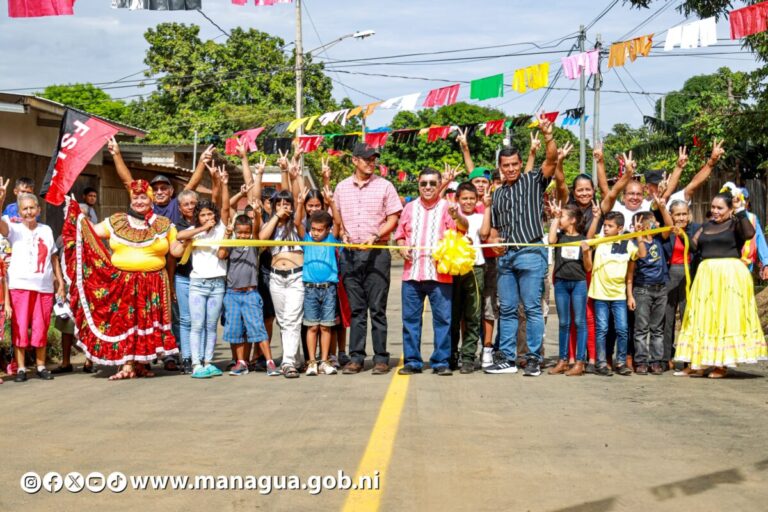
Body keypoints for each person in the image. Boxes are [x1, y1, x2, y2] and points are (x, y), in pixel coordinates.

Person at [61, 176, 179, 380]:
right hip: (122, 282)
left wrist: (190, 236)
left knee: (145, 322)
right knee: (126, 322)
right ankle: (127, 364)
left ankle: (141, 364)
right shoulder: (116, 221)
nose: (139, 201)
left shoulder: (164, 224)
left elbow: (175, 251)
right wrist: (76, 216)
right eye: (135, 198)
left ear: (151, 200)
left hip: (153, 282)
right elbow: (88, 233)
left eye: (143, 197)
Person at [484, 113, 558, 377]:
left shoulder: (533, 181)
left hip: (530, 252)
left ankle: (534, 358)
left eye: (515, 164)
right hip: (506, 258)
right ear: (500, 167)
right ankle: (507, 358)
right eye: (506, 166)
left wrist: (548, 135)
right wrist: (494, 242)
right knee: (506, 308)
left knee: (532, 308)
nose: (512, 169)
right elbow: (494, 229)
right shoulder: (498, 193)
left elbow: (551, 159)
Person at [674, 191, 767, 378]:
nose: (715, 211)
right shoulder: (706, 226)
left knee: (725, 319)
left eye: (719, 208)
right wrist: (682, 233)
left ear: (730, 209)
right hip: (706, 275)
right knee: (703, 319)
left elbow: (750, 234)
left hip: (729, 276)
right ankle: (699, 363)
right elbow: (694, 246)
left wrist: (740, 212)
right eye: (713, 207)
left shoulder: (736, 224)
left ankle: (721, 364)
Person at [334, 143, 402, 375]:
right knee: (356, 309)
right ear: (354, 160)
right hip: (350, 255)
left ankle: (381, 357)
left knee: (378, 309)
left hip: (377, 253)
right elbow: (338, 217)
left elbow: (393, 217)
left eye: (373, 159)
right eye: (366, 159)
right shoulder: (342, 187)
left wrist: (376, 236)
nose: (371, 162)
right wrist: (342, 232)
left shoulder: (385, 186)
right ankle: (356, 357)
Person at [395, 168, 467, 376]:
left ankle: (441, 361)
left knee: (443, 320)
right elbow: (400, 234)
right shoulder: (409, 208)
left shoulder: (448, 207)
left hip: (440, 275)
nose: (427, 187)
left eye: (432, 184)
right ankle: (412, 361)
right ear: (418, 184)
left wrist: (457, 216)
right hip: (412, 273)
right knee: (410, 320)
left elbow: (463, 228)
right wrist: (401, 245)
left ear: (439, 185)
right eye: (423, 183)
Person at [0, 187, 64, 383]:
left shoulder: (46, 230)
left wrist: (60, 282)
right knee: (20, 327)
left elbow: (53, 258)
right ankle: (20, 368)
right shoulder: (14, 229)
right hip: (19, 286)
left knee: (41, 326)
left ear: (38, 209)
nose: (28, 212)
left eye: (32, 208)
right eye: (25, 209)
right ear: (19, 212)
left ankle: (41, 366)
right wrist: (1, 198)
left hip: (43, 287)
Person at [174, 166, 229, 379]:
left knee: (211, 326)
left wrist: (221, 182)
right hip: (197, 283)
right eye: (203, 214)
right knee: (196, 325)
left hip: (217, 283)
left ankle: (208, 361)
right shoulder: (193, 232)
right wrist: (201, 228)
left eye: (209, 214)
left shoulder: (222, 227)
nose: (207, 217)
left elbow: (222, 204)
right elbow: (179, 237)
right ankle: (196, 363)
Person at [216, 202, 279, 377]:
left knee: (257, 328)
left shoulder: (253, 245)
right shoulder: (232, 243)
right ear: (236, 231)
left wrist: (257, 217)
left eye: (246, 232)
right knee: (236, 330)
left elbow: (257, 229)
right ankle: (241, 362)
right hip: (232, 294)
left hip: (251, 293)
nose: (243, 235)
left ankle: (269, 361)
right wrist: (228, 235)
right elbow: (221, 255)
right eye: (240, 232)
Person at [586, 204, 647, 377]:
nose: (606, 228)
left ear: (620, 229)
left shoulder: (627, 243)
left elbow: (641, 255)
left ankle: (620, 362)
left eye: (610, 226)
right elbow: (589, 238)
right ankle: (601, 363)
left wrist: (640, 235)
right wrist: (597, 217)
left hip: (619, 295)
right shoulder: (599, 240)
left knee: (622, 329)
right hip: (600, 295)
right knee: (602, 329)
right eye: (605, 225)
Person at [259, 152, 304, 379]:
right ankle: (293, 357)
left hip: (296, 277)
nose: (284, 206)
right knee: (284, 319)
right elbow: (262, 240)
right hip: (276, 277)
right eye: (280, 203)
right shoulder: (272, 224)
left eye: (287, 204)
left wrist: (288, 171)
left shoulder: (297, 223)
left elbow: (294, 195)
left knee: (293, 318)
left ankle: (288, 362)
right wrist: (275, 216)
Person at [109, 137, 214, 225]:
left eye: (163, 188)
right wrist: (116, 155)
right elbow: (128, 183)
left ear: (171, 191)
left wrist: (201, 162)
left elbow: (192, 185)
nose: (159, 192)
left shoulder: (176, 204)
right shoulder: (146, 205)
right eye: (155, 189)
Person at [296, 186, 342, 376]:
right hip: (310, 289)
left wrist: (331, 202)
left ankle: (324, 360)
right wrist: (299, 203)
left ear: (328, 230)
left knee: (326, 326)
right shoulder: (305, 238)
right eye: (313, 229)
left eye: (319, 230)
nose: (315, 233)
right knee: (312, 326)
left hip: (329, 288)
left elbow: (338, 222)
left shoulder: (332, 239)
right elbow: (297, 222)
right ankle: (312, 361)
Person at [626, 199, 673, 376]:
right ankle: (641, 361)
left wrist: (662, 207)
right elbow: (631, 272)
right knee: (641, 328)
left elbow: (669, 226)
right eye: (653, 221)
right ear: (644, 225)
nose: (657, 223)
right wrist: (630, 295)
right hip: (642, 289)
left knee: (657, 328)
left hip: (660, 288)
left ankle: (656, 360)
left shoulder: (659, 239)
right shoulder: (632, 243)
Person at [547, 202, 590, 376]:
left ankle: (580, 362)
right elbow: (550, 240)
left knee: (579, 322)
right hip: (561, 284)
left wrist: (586, 252)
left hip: (578, 283)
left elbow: (588, 267)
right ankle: (562, 360)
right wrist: (556, 219)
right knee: (564, 322)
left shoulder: (584, 239)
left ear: (572, 220)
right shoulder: (560, 237)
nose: (560, 218)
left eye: (563, 216)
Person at [450, 182, 487, 374]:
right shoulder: (450, 216)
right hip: (454, 270)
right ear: (457, 199)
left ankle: (468, 356)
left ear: (477, 200)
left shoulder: (481, 218)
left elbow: (487, 234)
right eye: (464, 198)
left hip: (476, 269)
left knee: (473, 315)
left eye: (472, 198)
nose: (468, 202)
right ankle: (451, 354)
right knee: (453, 316)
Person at [661, 199, 700, 370]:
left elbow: (695, 250)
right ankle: (666, 356)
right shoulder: (666, 231)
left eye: (685, 214)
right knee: (667, 319)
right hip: (670, 275)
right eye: (678, 214)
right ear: (671, 215)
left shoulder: (696, 230)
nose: (682, 218)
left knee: (687, 317)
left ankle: (688, 357)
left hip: (689, 275)